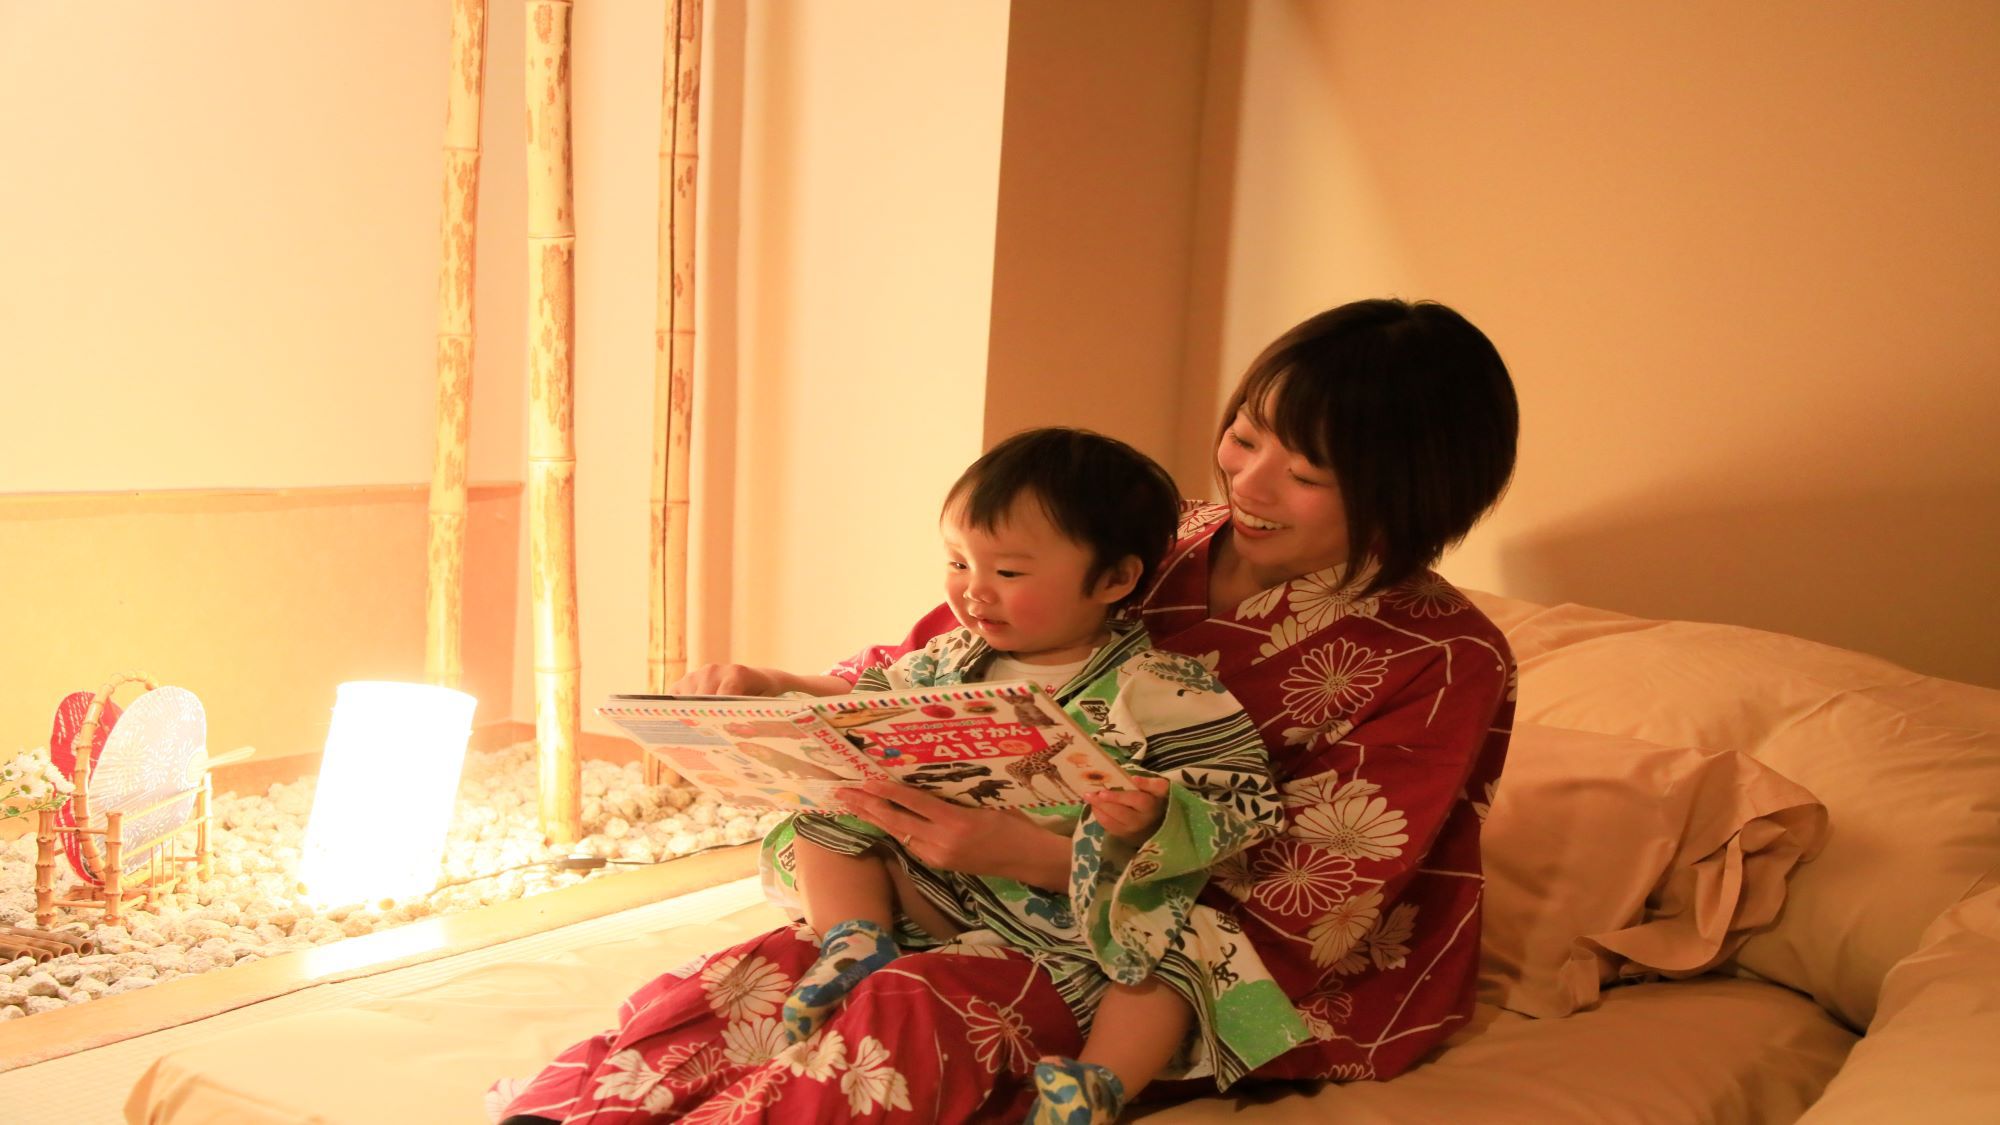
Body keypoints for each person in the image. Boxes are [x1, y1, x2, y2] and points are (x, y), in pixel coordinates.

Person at [497, 297, 1519, 1124]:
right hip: (963, 886)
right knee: (774, 972)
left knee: (910, 1010)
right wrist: (790, 697)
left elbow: (1304, 904)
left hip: (1152, 951)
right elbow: (935, 670)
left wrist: (1022, 853)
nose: (1246, 484)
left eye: (1301, 473)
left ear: (1405, 492)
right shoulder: (1153, 533)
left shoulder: (1439, 662)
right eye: (1243, 437)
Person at [767, 427, 1298, 1123]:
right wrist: (784, 703)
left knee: (1184, 946)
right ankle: (856, 937)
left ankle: (1097, 1083)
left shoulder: (1162, 687)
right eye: (958, 563)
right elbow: (865, 704)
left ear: (1114, 579)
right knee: (831, 805)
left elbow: (1242, 794)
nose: (974, 593)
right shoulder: (943, 660)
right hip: (944, 887)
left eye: (1008, 574)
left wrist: (1158, 813)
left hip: (1088, 915)